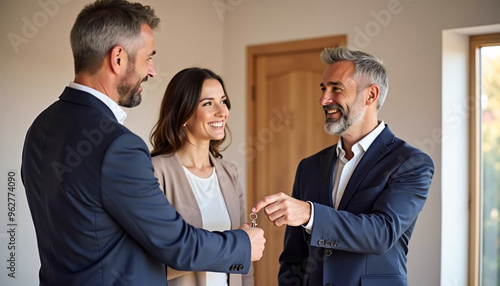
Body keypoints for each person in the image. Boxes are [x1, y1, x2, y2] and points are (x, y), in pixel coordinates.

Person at [20, 0, 265, 285]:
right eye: (148, 58)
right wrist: (242, 244)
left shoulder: (40, 127)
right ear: (118, 58)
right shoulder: (118, 146)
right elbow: (176, 244)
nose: (151, 71)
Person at [252, 46, 434, 286]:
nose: (324, 99)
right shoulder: (309, 167)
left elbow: (381, 234)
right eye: (323, 88)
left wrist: (310, 213)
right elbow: (294, 258)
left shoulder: (411, 163)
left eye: (336, 89)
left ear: (371, 95)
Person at [150, 67, 254, 286]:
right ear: (184, 113)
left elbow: (245, 258)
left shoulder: (229, 172)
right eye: (208, 103)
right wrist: (232, 247)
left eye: (223, 101)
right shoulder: (156, 172)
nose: (222, 111)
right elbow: (153, 260)